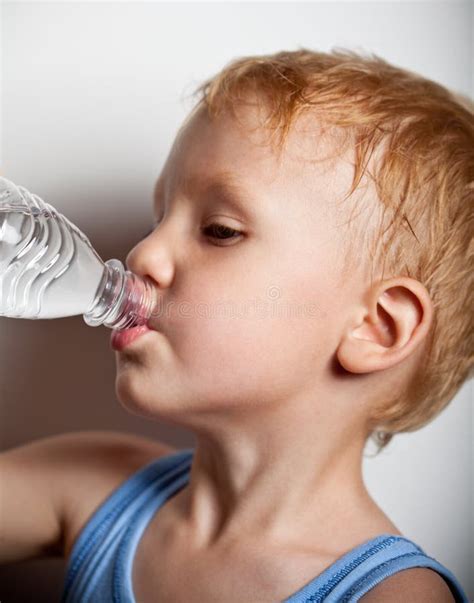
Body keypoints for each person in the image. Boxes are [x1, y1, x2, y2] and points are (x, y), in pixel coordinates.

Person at [1, 48, 471, 602]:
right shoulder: (95, 483)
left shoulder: (392, 596)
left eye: (219, 230)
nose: (142, 253)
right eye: (159, 218)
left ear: (376, 328)